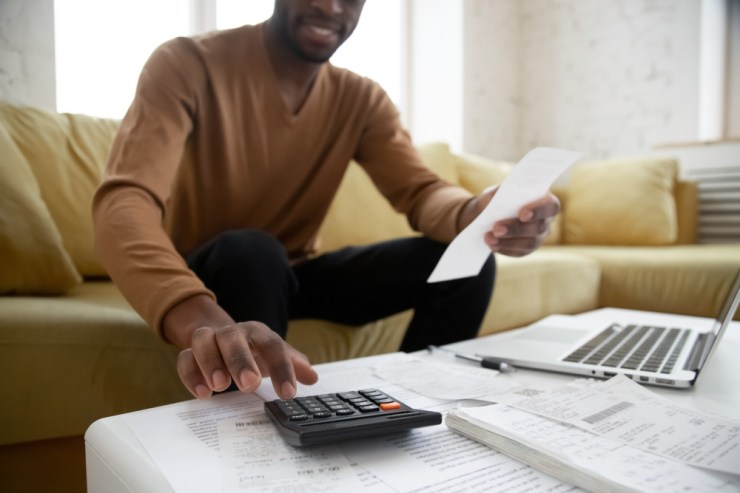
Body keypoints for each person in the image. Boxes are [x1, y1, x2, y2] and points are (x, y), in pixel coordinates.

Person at [92, 0, 559, 402]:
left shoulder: (361, 99)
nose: (331, 8)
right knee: (252, 251)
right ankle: (256, 438)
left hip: (294, 276)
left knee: (464, 262)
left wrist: (477, 214)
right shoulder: (186, 63)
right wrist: (199, 315)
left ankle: (419, 408)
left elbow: (421, 191)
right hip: (214, 274)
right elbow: (125, 199)